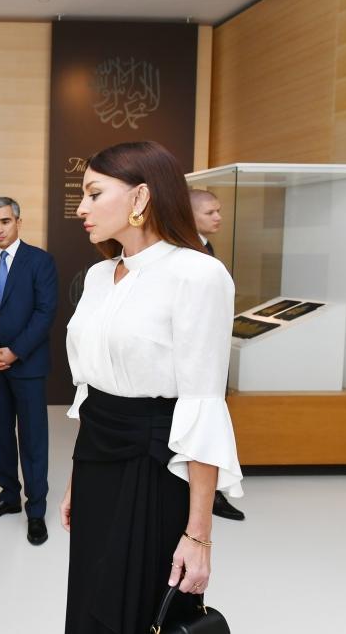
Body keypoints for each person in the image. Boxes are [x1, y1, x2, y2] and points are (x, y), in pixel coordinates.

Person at [62, 141, 243, 634]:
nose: (81, 207)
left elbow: (203, 403)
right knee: (90, 599)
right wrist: (79, 476)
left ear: (141, 197)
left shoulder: (198, 275)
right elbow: (91, 389)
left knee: (139, 609)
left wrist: (199, 535)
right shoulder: (100, 276)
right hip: (97, 458)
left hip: (156, 466)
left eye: (94, 193)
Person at [0, 197, 58, 545]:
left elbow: (45, 313)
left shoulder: (40, 262)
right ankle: (8, 496)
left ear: (18, 221)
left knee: (32, 438)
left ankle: (36, 510)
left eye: (5, 221)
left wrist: (15, 352)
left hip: (28, 366)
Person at [190, 188, 246, 523]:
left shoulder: (206, 247)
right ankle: (207, 496)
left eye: (219, 211)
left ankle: (213, 493)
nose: (218, 218)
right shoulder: (190, 250)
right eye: (210, 212)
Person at [190, 189, 222, 256]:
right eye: (209, 213)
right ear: (189, 215)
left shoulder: (203, 243)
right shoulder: (187, 249)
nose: (218, 217)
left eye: (218, 211)